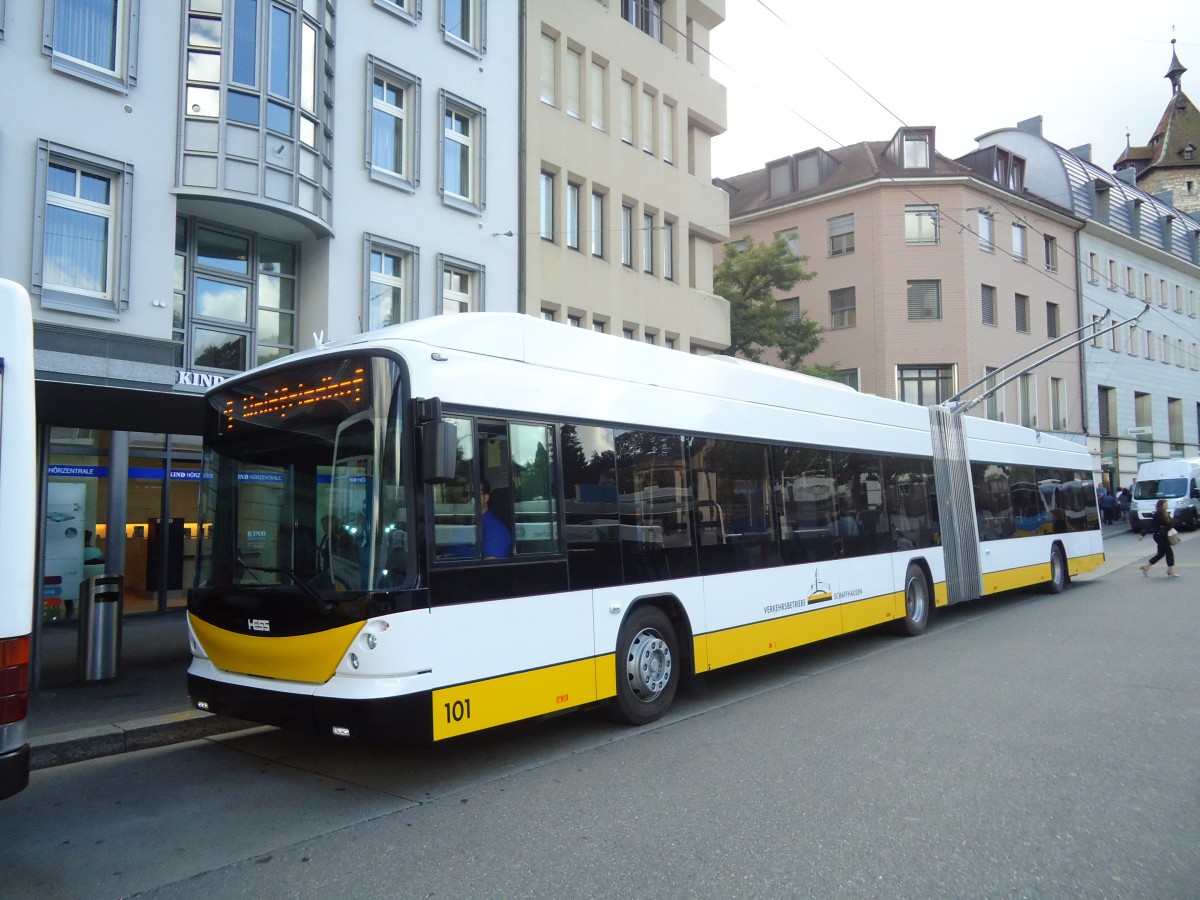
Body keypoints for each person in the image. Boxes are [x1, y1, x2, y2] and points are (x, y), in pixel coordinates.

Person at [1140, 498, 1180, 578]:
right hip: (1159, 536)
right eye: (1165, 504)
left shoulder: (1165, 513)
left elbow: (1169, 524)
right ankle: (1171, 570)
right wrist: (1143, 534)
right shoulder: (1158, 514)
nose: (1167, 505)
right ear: (1161, 505)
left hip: (1164, 536)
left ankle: (1146, 566)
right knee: (1169, 552)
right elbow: (1151, 525)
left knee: (1160, 554)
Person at [480, 479, 513, 559]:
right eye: (465, 494)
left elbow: (490, 568)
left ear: (486, 498)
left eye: (474, 494)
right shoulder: (465, 525)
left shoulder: (496, 530)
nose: (469, 498)